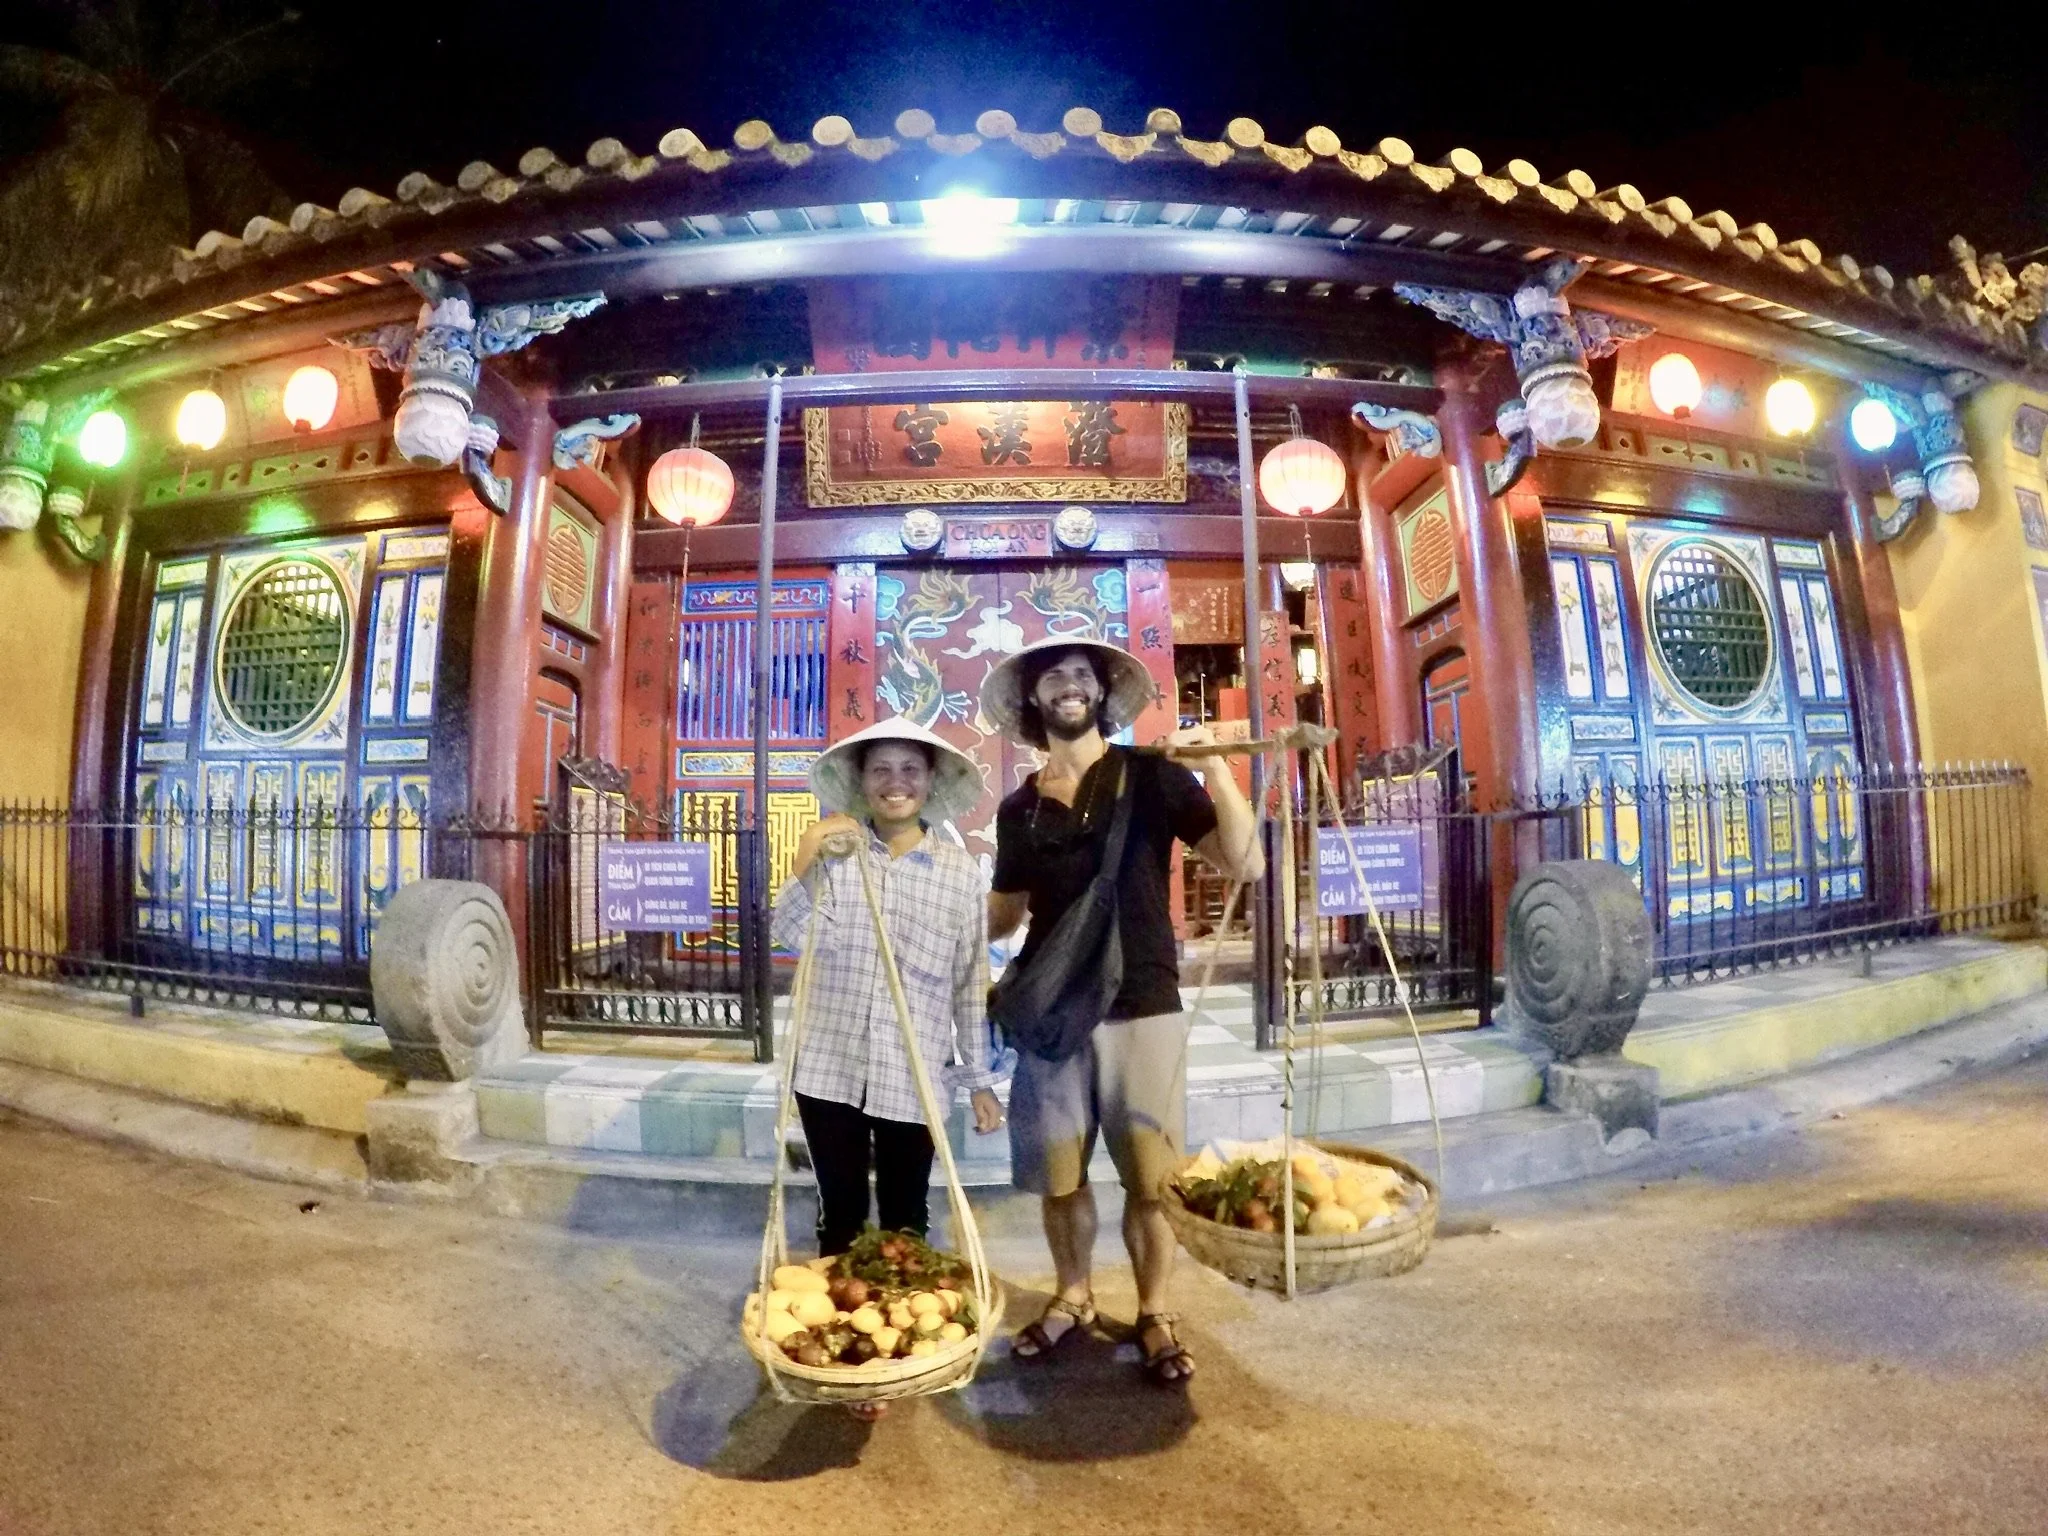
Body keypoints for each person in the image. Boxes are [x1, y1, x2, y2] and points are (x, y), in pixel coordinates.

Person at [981, 637, 1263, 1388]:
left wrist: (1216, 769)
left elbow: (1245, 863)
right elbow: (1004, 918)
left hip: (1143, 1003)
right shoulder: (1019, 808)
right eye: (1054, 678)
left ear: (1102, 696)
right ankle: (1073, 1295)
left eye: (1084, 676)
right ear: (1034, 702)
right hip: (1054, 1015)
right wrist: (922, 899)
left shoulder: (1152, 778)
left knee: (1151, 1181)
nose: (1070, 687)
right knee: (1060, 1179)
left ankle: (1154, 1309)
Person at [772, 717, 1006, 1421]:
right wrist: (806, 857)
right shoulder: (838, 859)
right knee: (840, 1210)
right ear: (862, 783)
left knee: (906, 1217)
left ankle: (902, 1339)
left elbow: (970, 984)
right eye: (881, 771)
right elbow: (785, 934)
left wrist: (980, 1081)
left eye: (910, 770)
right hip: (830, 1067)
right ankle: (843, 1344)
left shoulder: (962, 877)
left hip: (916, 1073)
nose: (896, 783)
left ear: (931, 783)